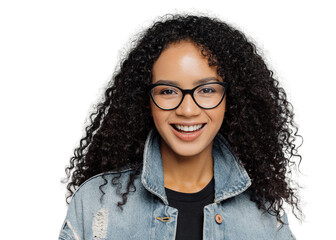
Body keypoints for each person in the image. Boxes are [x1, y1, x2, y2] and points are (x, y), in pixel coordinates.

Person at [58, 13, 303, 240]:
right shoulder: (95, 204)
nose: (187, 110)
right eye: (168, 91)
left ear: (232, 100)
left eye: (207, 90)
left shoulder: (264, 216)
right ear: (145, 101)